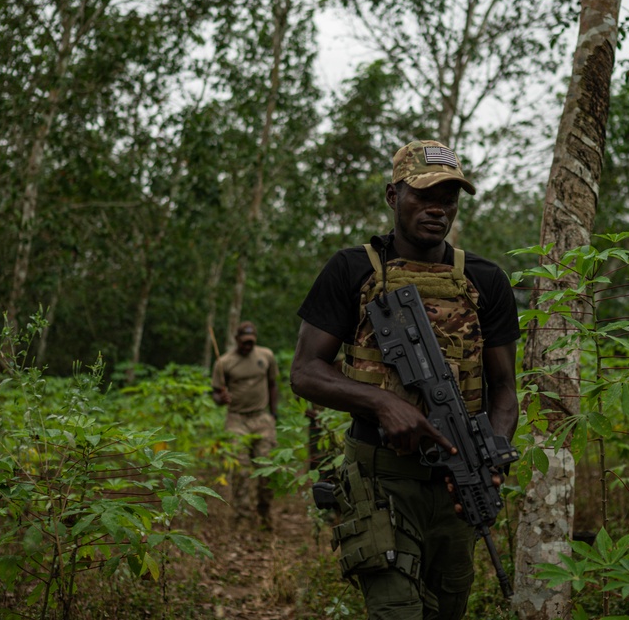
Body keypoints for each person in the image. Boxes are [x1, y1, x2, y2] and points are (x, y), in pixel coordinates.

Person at [290, 140, 520, 620]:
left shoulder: (487, 279)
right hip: (380, 482)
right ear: (393, 196)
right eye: (424, 196)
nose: (438, 209)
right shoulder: (351, 269)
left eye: (449, 199)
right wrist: (382, 403)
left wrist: (493, 454)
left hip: (456, 487)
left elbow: (503, 389)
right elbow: (306, 372)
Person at [212, 320, 280, 529]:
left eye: (251, 342)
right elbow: (216, 394)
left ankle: (264, 512)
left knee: (268, 469)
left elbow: (273, 384)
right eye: (244, 342)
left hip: (261, 418)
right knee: (240, 471)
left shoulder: (266, 356)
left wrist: (273, 414)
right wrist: (221, 398)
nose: (247, 346)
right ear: (236, 340)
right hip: (236, 419)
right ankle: (242, 516)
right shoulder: (224, 362)